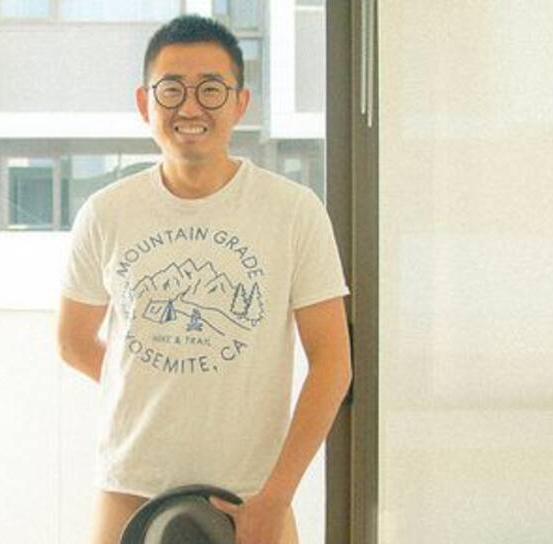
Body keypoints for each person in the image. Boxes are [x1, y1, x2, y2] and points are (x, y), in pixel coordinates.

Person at [56, 14, 352, 544]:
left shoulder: (293, 211)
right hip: (130, 488)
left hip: (253, 497)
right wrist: (157, 387)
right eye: (171, 90)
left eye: (211, 89)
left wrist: (277, 496)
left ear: (240, 103)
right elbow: (73, 341)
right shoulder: (107, 212)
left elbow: (332, 364)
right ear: (145, 103)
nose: (190, 108)